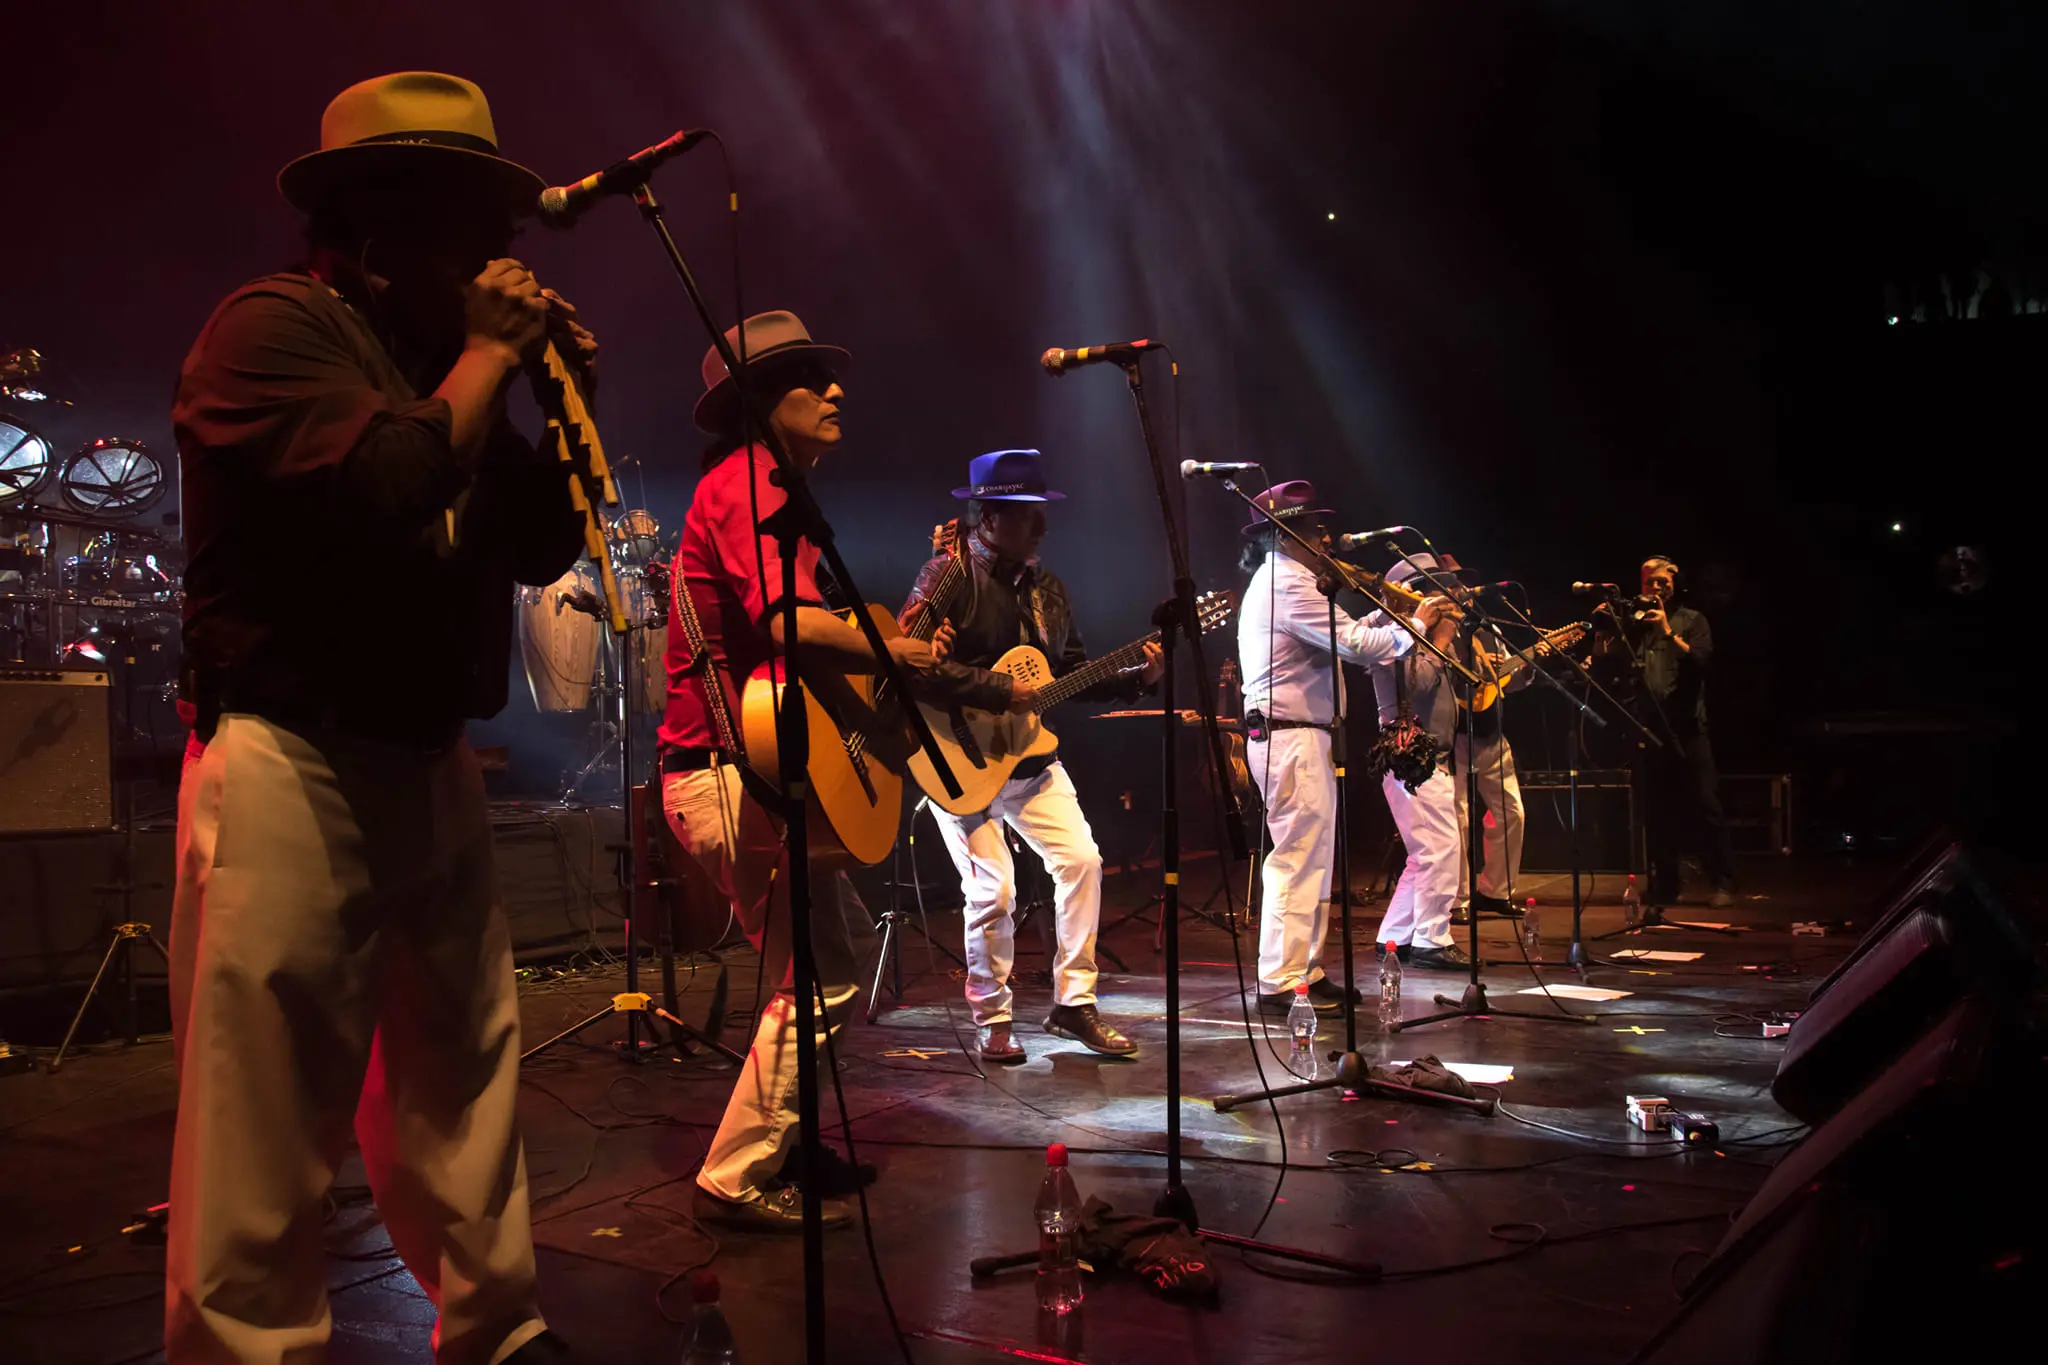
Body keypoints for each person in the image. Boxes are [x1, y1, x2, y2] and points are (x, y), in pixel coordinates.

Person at [167, 73, 588, 1362]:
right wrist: (485, 358)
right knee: (269, 1102)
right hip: (291, 749)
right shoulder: (269, 330)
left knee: (465, 1069)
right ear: (377, 219)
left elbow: (534, 542)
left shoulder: (439, 362)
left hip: (425, 749)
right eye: (475, 220)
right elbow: (392, 481)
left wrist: (534, 389)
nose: (502, 255)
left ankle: (500, 1330)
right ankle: (248, 1348)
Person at [658, 310, 948, 1231]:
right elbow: (785, 624)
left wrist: (881, 685)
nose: (837, 392)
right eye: (808, 380)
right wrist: (892, 651)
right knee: (818, 975)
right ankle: (738, 1172)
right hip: (726, 772)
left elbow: (808, 660)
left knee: (834, 957)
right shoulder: (747, 481)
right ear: (756, 403)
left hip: (753, 768)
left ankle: (789, 1141)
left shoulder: (775, 494)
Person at [899, 449, 1158, 1062]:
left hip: (1029, 759)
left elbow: (1067, 675)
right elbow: (909, 664)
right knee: (995, 892)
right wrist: (996, 689)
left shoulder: (1048, 589)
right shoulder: (947, 575)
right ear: (986, 518)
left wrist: (1133, 679)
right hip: (953, 759)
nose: (1039, 527)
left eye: (1040, 513)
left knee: (1082, 863)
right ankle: (993, 1020)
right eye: (1022, 515)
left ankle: (1075, 1004)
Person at [1237, 482, 1449, 1014]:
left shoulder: (1294, 581)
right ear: (1285, 534)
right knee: (1296, 860)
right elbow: (1353, 646)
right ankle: (1280, 981)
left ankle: (1303, 971)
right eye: (1314, 527)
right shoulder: (1286, 583)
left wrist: (1388, 617)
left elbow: (1352, 631)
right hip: (1289, 734)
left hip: (1301, 735)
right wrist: (1417, 625)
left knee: (1314, 862)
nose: (1327, 536)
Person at [1595, 556, 1736, 911]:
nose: (1655, 588)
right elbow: (1606, 664)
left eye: (1663, 582)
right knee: (1656, 814)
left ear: (1675, 584)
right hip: (1646, 729)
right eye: (1649, 582)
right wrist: (1605, 631)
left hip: (1687, 729)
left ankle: (1723, 881)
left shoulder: (1691, 620)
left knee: (1706, 805)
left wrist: (1667, 633)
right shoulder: (1633, 625)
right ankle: (1667, 886)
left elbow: (1702, 661)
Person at [1365, 554, 1482, 970]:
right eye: (1435, 589)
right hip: (1412, 758)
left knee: (1426, 853)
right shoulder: (1392, 633)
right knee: (1441, 851)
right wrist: (1444, 638)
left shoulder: (1421, 635)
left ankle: (1394, 936)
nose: (1445, 598)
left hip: (1430, 758)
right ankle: (1433, 938)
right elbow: (1415, 684)